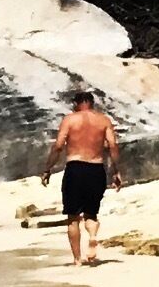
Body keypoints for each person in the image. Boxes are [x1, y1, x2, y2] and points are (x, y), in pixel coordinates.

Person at [43, 85, 123, 266]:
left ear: (76, 104)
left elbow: (58, 146)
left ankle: (77, 260)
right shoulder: (104, 120)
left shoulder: (70, 120)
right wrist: (116, 171)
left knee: (73, 217)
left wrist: (48, 168)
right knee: (91, 214)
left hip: (75, 169)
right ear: (92, 104)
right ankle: (93, 236)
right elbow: (112, 146)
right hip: (96, 169)